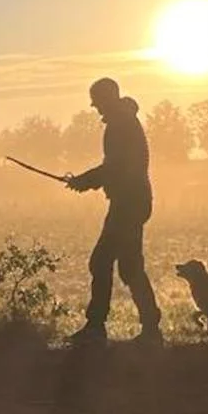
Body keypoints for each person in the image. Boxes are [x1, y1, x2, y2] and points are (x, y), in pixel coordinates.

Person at [65, 77, 162, 345]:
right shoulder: (124, 121)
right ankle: (148, 327)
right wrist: (88, 181)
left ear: (108, 98)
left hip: (128, 204)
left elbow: (117, 167)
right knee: (127, 266)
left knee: (104, 262)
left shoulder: (120, 125)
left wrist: (84, 181)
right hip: (131, 202)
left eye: (96, 101)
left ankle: (99, 327)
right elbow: (117, 167)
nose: (94, 106)